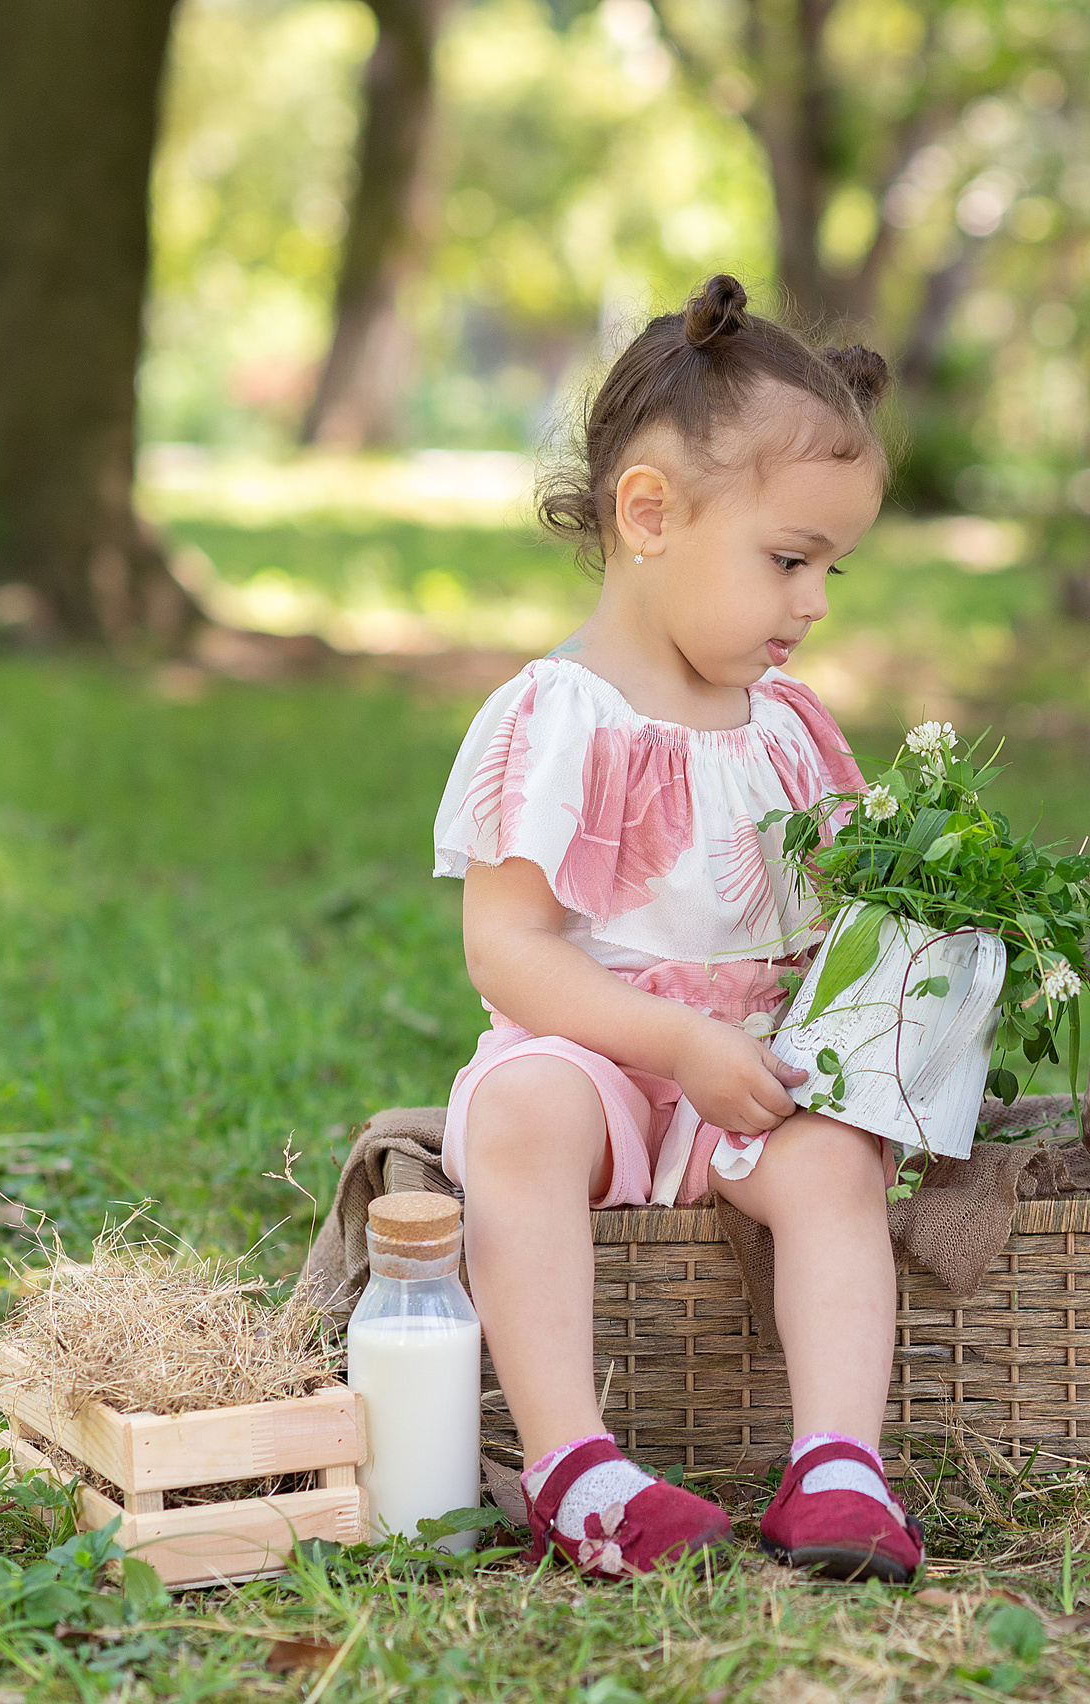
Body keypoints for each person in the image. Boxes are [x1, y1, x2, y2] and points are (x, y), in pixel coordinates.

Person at [430, 274, 919, 1582]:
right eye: (787, 560)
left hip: (742, 1077)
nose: (813, 603)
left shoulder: (792, 730)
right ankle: (572, 1469)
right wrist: (664, 1041)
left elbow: (837, 923)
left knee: (835, 1163)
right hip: (597, 1061)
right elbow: (509, 951)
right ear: (649, 513)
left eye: (830, 566)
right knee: (523, 1113)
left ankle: (837, 1469)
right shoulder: (557, 718)